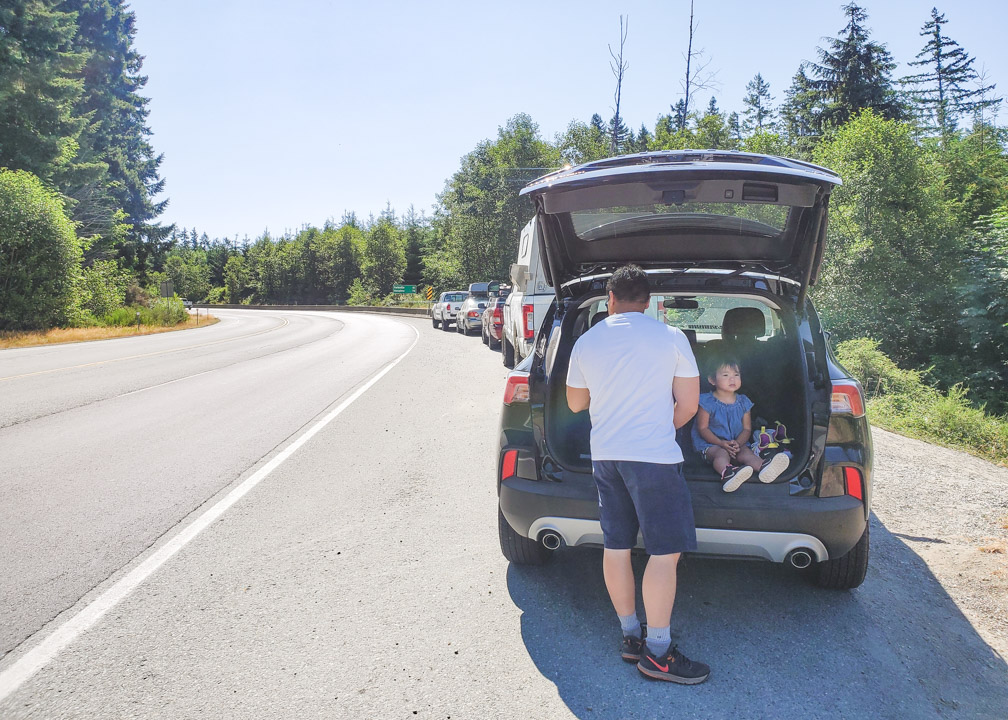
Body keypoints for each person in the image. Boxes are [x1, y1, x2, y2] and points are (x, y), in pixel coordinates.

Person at [566, 264, 709, 685]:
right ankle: (659, 653)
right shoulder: (671, 337)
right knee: (664, 552)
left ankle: (632, 638)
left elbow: (576, 404)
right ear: (649, 303)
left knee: (617, 545)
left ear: (609, 300)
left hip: (605, 456)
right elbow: (688, 404)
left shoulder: (587, 341)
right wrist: (663, 425)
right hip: (654, 458)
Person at [691, 356, 790, 492]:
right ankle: (728, 473)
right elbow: (703, 429)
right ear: (712, 380)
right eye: (726, 375)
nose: (732, 379)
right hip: (712, 445)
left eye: (736, 375)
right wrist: (722, 444)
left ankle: (764, 467)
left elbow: (747, 429)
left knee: (746, 454)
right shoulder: (707, 401)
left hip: (736, 444)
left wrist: (738, 443)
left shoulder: (744, 402)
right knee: (721, 454)